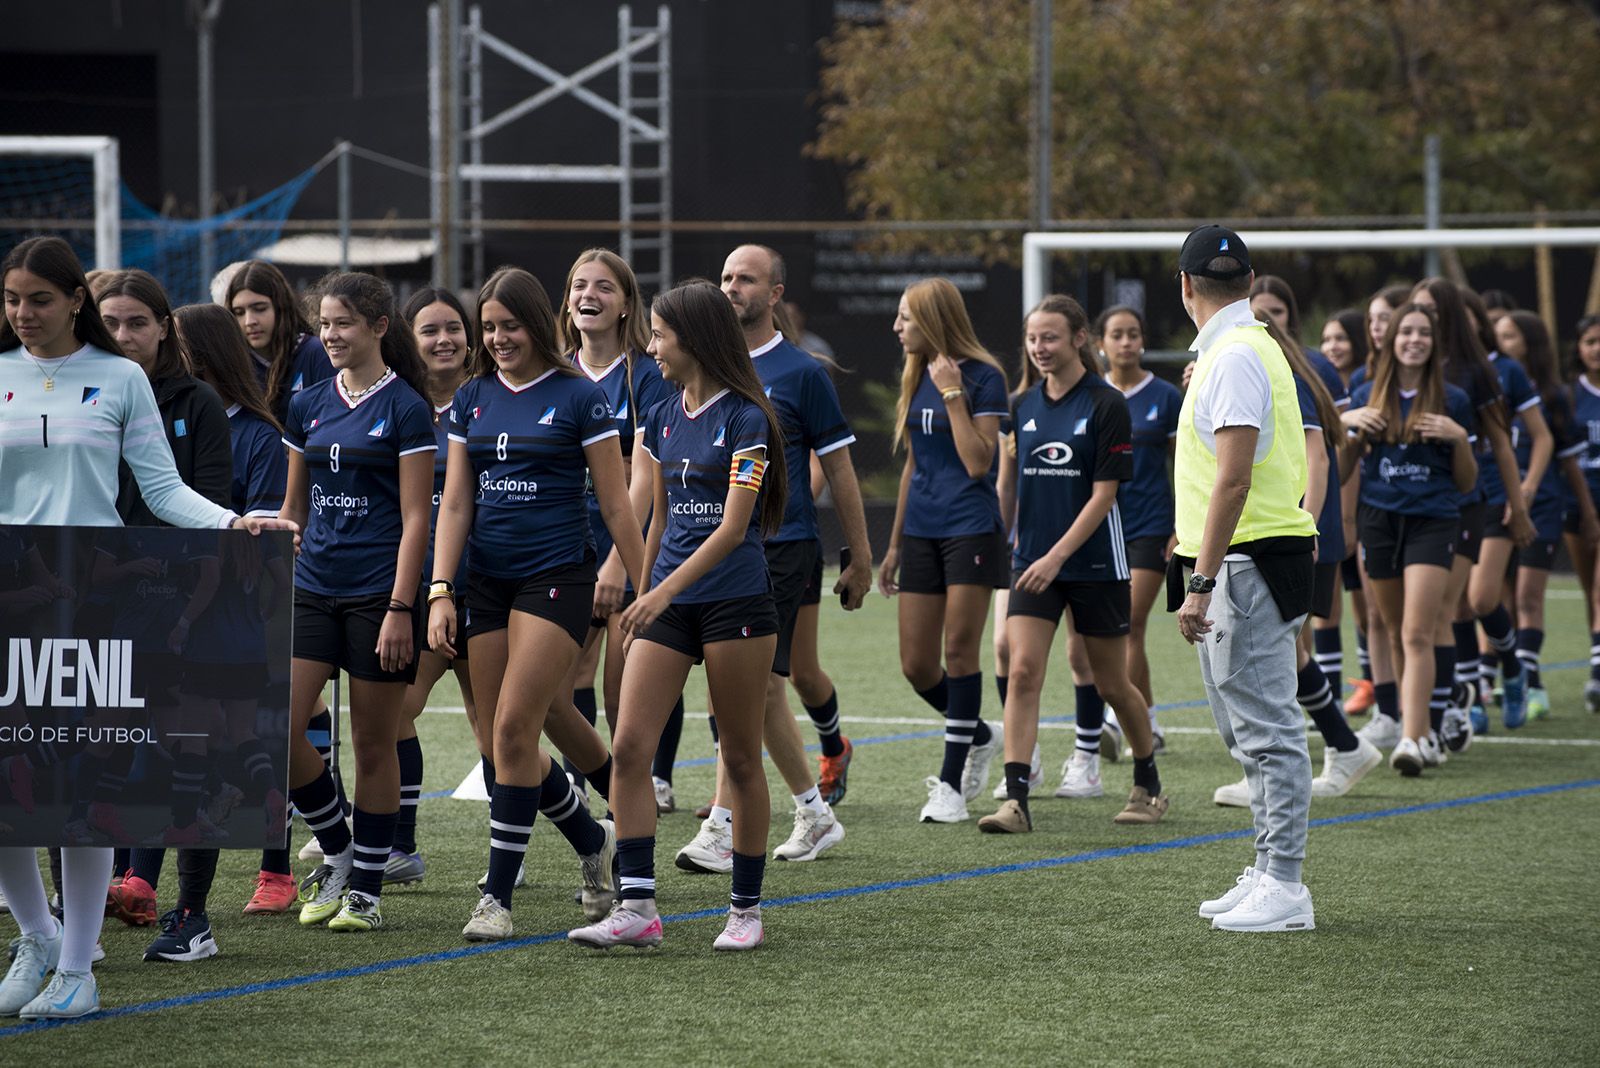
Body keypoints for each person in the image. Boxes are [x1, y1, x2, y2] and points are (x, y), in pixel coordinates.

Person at [0, 236, 295, 1019]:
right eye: (11, 300)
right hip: (11, 600)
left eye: (37, 299)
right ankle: (35, 936)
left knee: (76, 788)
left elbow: (163, 492)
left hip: (91, 607)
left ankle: (75, 969)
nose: (23, 314)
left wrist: (236, 522)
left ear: (73, 302)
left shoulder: (122, 377)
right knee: (6, 786)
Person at [566, 281, 788, 952]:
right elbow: (659, 515)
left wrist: (657, 592)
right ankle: (637, 907)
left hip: (736, 603)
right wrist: (645, 585)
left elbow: (731, 529)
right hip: (666, 602)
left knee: (742, 759)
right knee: (629, 749)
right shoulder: (660, 414)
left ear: (694, 337)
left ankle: (745, 909)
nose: (651, 345)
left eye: (660, 334)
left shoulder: (749, 417)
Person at [425, 267, 641, 941]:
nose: (497, 340)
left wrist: (649, 589)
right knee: (504, 738)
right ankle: (593, 837)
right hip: (486, 581)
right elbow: (456, 501)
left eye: (508, 326)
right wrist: (439, 589)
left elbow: (614, 500)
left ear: (536, 322)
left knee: (517, 730)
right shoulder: (472, 398)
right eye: (487, 329)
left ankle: (496, 899)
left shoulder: (579, 397)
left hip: (557, 577)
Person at [674, 245, 870, 870]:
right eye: (725, 276)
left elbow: (838, 465)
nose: (732, 287)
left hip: (780, 548)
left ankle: (726, 825)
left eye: (746, 279)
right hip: (711, 552)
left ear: (776, 294)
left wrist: (861, 556)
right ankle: (813, 813)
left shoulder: (801, 371)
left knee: (757, 691)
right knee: (752, 695)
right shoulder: (697, 367)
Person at [278, 271, 436, 933]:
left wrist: (403, 607)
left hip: (380, 595)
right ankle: (341, 852)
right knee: (273, 727)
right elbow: (293, 508)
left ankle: (365, 891)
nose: (331, 335)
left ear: (378, 327)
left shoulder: (407, 407)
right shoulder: (307, 401)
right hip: (313, 588)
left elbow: (416, 517)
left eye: (343, 323)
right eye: (324, 324)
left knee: (374, 746)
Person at [1171, 226, 1319, 933]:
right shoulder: (1243, 348)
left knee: (1266, 730)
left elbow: (1234, 477)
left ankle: (1285, 884)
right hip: (1243, 555)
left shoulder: (1231, 355)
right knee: (1250, 731)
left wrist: (1198, 583)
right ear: (1251, 280)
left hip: (1246, 561)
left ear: (1185, 285)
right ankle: (1269, 869)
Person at [978, 295, 1166, 833]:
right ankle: (1016, 800)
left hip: (1094, 566)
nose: (1040, 348)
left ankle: (1147, 781)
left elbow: (1105, 496)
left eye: (1051, 337)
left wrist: (1057, 557)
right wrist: (1008, 544)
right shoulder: (1022, 406)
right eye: (1033, 339)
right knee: (1022, 670)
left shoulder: (1107, 404)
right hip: (1031, 564)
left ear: (1080, 338)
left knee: (1111, 682)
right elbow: (1008, 482)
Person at [92, 272, 237, 959]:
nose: (123, 337)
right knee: (106, 748)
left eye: (136, 323)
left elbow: (202, 501)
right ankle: (106, 894)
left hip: (188, 594)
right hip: (103, 598)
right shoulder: (83, 398)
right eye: (110, 323)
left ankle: (193, 915)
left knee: (189, 745)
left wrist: (185, 590)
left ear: (162, 328)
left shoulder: (197, 403)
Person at [175, 303, 300, 916]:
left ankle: (283, 859)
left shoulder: (257, 433)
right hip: (187, 603)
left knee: (231, 732)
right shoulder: (158, 417)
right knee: (202, 735)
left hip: (233, 610)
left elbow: (269, 535)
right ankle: (148, 883)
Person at [878, 278, 1010, 824]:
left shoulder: (983, 376)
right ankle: (980, 733)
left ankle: (951, 785)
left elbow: (979, 461)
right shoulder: (917, 373)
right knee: (915, 664)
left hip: (970, 528)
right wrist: (892, 546)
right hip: (922, 533)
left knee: (959, 655)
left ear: (932, 320)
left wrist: (954, 393)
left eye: (906, 317)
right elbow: (913, 465)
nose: (897, 327)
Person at [553, 249, 675, 809]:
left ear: (627, 304)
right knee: (570, 667)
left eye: (604, 288)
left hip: (631, 542)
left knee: (623, 674)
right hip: (565, 541)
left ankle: (645, 783)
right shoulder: (554, 372)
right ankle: (581, 778)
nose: (589, 297)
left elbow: (646, 478)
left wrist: (618, 562)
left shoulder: (646, 376)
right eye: (580, 285)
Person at [382, 288, 482, 889]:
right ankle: (400, 844)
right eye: (429, 330)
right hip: (422, 593)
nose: (443, 339)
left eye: (454, 328)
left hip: (490, 589)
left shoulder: (489, 400)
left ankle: (524, 847)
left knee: (496, 728)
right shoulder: (402, 406)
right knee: (395, 711)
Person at [1496, 310, 1595, 719]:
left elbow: (1568, 460)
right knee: (1493, 598)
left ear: (1530, 343)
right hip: (1494, 507)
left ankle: (1532, 685)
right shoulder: (1488, 389)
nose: (1500, 343)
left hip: (1544, 507)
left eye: (1509, 336)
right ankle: (1500, 676)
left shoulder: (1555, 395)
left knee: (1527, 597)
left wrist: (1586, 511)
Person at [1096, 305, 1179, 758]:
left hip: (1150, 526)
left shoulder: (1165, 397)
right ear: (1100, 344)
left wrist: (1180, 528)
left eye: (1133, 334)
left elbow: (1185, 464)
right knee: (1116, 629)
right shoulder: (1090, 394)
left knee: (1130, 623)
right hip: (1099, 527)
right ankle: (1148, 722)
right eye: (1117, 335)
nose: (1126, 342)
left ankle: (1114, 719)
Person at [225, 260, 334, 425]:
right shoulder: (233, 363)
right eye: (239, 312)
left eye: (259, 308)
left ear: (280, 306)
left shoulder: (315, 352)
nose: (249, 321)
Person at [1567, 314, 1600, 711]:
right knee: (1587, 588)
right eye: (1590, 341)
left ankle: (1595, 677)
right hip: (1577, 503)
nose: (1597, 349)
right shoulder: (1569, 395)